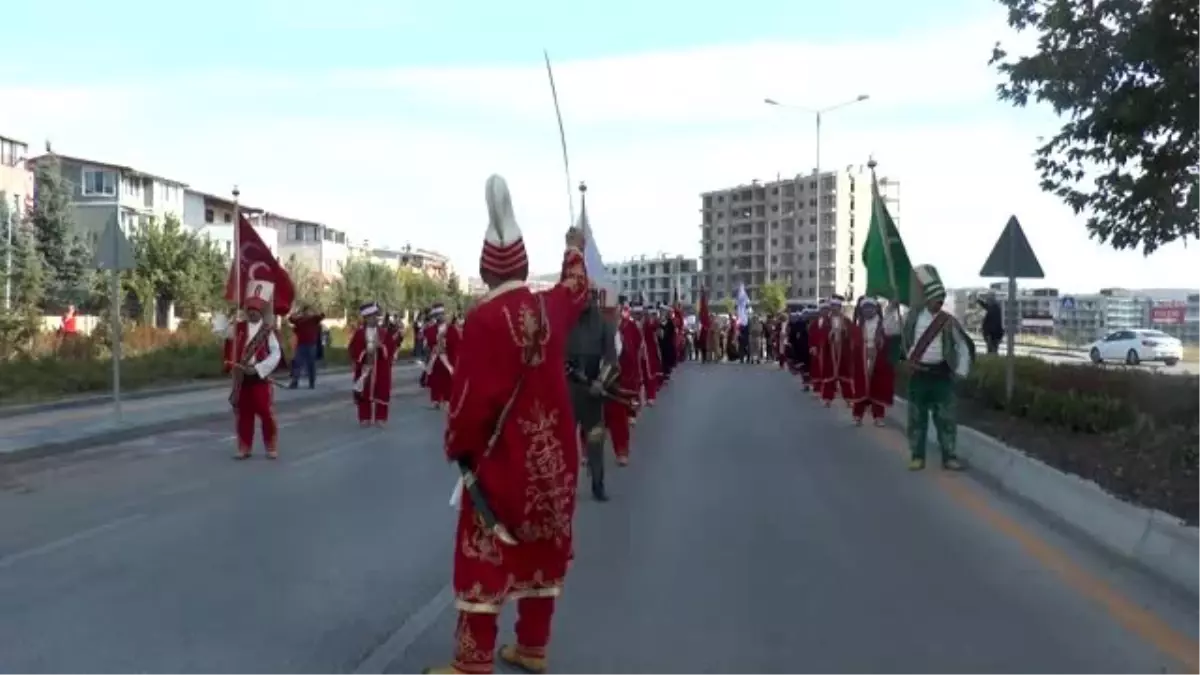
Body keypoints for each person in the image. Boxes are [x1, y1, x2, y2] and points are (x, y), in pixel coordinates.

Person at [422, 174, 589, 675]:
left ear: (485, 269)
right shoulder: (550, 306)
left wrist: (459, 449)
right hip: (554, 461)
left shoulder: (483, 320)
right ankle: (533, 647)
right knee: (543, 547)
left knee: (483, 556)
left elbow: (471, 401)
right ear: (521, 263)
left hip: (503, 465)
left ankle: (473, 662)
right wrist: (573, 247)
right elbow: (576, 288)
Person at [901, 265, 975, 471]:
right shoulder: (913, 318)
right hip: (919, 376)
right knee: (916, 418)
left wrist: (961, 371)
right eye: (937, 298)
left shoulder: (949, 322)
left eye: (942, 298)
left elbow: (962, 347)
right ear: (928, 299)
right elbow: (905, 342)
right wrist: (908, 358)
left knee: (946, 419)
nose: (940, 302)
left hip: (941, 376)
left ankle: (949, 456)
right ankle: (917, 456)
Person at [223, 281, 284, 460]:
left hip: (259, 377)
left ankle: (270, 445)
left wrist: (258, 369)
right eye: (249, 308)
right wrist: (227, 322)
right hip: (241, 377)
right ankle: (244, 447)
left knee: (265, 412)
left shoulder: (268, 330)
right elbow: (224, 338)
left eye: (255, 309)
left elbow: (276, 354)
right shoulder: (238, 327)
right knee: (244, 414)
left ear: (261, 311)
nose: (252, 312)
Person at [848, 298, 901, 426]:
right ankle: (857, 416)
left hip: (879, 360)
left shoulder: (884, 324)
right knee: (861, 388)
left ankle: (878, 417)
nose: (867, 310)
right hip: (862, 359)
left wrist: (892, 308)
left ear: (876, 309)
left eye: (870, 308)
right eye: (865, 308)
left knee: (878, 388)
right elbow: (853, 343)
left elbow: (894, 330)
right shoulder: (858, 326)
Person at [349, 302, 396, 427]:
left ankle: (381, 418)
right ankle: (365, 418)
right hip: (365, 366)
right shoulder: (359, 333)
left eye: (376, 316)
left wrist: (381, 347)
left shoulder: (383, 333)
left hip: (380, 367)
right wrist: (365, 352)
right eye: (372, 316)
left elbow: (391, 348)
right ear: (366, 318)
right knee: (364, 392)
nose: (375, 318)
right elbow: (353, 349)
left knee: (381, 391)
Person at [609, 298, 643, 460]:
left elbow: (632, 346)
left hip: (615, 375)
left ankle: (622, 450)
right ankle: (587, 451)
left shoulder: (625, 327)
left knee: (618, 414)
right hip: (592, 375)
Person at [422, 304, 456, 409]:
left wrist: (447, 344)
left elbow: (456, 343)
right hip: (435, 358)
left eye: (441, 314)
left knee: (447, 379)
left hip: (447, 357)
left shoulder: (451, 329)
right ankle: (436, 400)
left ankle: (447, 399)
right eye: (437, 315)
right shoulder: (430, 330)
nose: (439, 317)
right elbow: (427, 344)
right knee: (435, 380)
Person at [287, 304, 325, 389]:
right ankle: (294, 382)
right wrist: (298, 312)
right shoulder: (299, 320)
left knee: (311, 364)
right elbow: (290, 319)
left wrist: (314, 309)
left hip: (311, 345)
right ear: (303, 312)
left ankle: (311, 382)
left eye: (308, 311)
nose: (307, 313)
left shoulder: (314, 319)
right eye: (305, 311)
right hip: (301, 345)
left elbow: (322, 315)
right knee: (297, 364)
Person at [639, 304, 661, 404]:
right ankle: (644, 395)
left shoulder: (649, 323)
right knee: (642, 373)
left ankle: (651, 396)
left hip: (649, 351)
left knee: (649, 373)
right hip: (640, 351)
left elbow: (656, 330)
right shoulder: (640, 323)